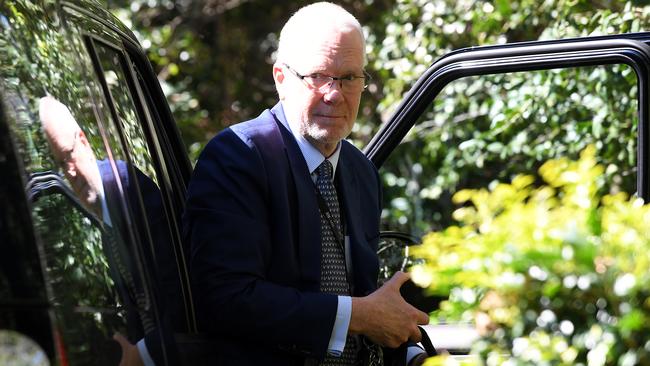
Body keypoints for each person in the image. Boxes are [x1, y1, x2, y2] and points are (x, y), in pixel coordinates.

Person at [183, 3, 429, 365]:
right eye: (318, 76)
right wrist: (357, 316)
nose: (335, 93)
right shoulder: (239, 157)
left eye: (349, 77)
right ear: (281, 78)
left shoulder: (361, 171)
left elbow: (364, 298)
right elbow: (226, 299)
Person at [39, 96, 180, 366]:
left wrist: (144, 353)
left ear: (83, 140)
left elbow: (182, 291)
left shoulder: (129, 191)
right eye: (59, 165)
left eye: (68, 155)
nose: (69, 172)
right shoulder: (105, 210)